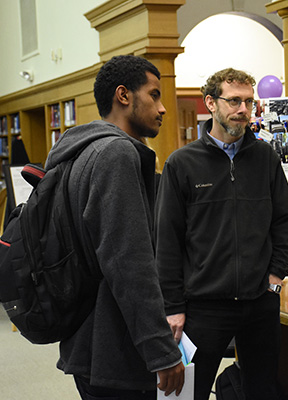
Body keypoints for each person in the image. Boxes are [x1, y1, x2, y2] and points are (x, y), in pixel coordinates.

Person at [45, 55, 185, 399]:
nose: (163, 108)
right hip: (115, 350)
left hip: (87, 339)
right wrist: (161, 352)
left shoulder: (80, 150)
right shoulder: (116, 154)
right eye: (154, 95)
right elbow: (128, 262)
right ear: (123, 96)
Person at [155, 68, 288, 400]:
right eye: (234, 101)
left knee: (261, 391)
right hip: (203, 307)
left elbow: (284, 219)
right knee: (184, 393)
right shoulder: (182, 164)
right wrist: (172, 305)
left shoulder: (265, 157)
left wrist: (276, 275)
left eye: (249, 102)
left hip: (259, 302)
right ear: (211, 103)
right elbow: (167, 241)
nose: (243, 110)